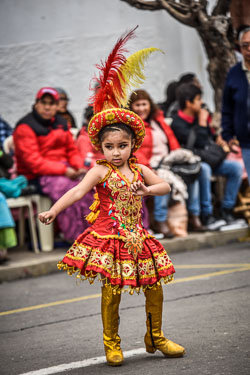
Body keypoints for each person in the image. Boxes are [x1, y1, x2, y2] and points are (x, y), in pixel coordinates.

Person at [39, 27, 185, 366]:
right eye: (109, 147)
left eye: (122, 146)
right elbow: (76, 191)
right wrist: (52, 210)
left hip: (139, 237)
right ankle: (111, 343)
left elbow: (164, 185)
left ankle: (156, 336)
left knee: (154, 287)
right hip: (109, 238)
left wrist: (148, 189)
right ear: (100, 148)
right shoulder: (101, 171)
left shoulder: (139, 168)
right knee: (112, 292)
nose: (116, 152)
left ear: (133, 144)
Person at [13, 87, 92, 242]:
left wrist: (78, 167)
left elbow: (71, 150)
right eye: (44, 103)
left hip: (65, 170)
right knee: (67, 190)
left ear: (57, 106)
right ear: (36, 104)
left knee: (88, 184)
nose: (48, 107)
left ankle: (94, 234)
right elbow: (34, 162)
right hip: (36, 176)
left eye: (52, 103)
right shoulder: (25, 127)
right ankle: (76, 238)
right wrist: (64, 170)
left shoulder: (62, 122)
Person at [129, 89, 204, 237]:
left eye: (144, 104)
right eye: (137, 105)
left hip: (169, 162)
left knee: (198, 170)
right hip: (150, 165)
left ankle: (196, 215)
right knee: (161, 178)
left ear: (150, 105)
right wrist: (149, 169)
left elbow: (172, 142)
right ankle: (160, 220)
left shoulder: (158, 121)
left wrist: (179, 158)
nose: (141, 108)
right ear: (131, 107)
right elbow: (136, 152)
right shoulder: (132, 126)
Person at [171, 83, 243, 229]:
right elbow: (200, 142)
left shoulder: (200, 117)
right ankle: (207, 215)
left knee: (235, 167)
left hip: (209, 159)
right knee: (204, 169)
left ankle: (226, 210)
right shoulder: (177, 123)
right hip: (190, 164)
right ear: (188, 103)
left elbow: (209, 140)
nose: (201, 103)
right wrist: (203, 123)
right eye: (198, 99)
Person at [221, 25, 250, 183]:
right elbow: (227, 107)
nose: (249, 49)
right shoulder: (234, 73)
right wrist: (228, 135)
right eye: (245, 45)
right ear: (239, 47)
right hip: (247, 142)